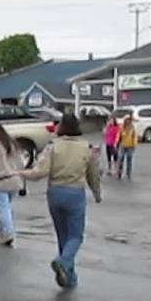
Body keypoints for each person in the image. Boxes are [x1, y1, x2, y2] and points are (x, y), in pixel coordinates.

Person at [21, 113, 103, 290]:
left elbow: (39, 172)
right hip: (75, 192)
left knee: (62, 236)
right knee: (75, 236)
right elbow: (93, 174)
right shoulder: (86, 147)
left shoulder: (53, 146)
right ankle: (63, 262)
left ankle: (69, 276)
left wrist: (21, 173)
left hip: (55, 192)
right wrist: (97, 193)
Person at [118, 115, 138, 180]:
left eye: (130, 120)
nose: (128, 121)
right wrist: (117, 143)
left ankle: (128, 173)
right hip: (123, 145)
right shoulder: (122, 128)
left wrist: (134, 145)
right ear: (125, 120)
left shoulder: (132, 128)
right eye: (127, 120)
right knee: (121, 159)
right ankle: (119, 172)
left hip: (130, 146)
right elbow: (119, 136)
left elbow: (134, 137)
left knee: (129, 160)